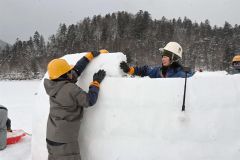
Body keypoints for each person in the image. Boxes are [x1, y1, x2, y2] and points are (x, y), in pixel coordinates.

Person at [44, 49, 108, 160]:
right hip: (65, 141)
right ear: (64, 75)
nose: (71, 72)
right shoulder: (70, 89)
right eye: (68, 71)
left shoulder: (53, 85)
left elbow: (76, 71)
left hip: (51, 137)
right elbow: (89, 100)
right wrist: (95, 83)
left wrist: (89, 57)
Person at [120, 42, 193, 78]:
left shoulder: (181, 74)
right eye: (162, 57)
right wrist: (130, 70)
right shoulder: (159, 71)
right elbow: (146, 70)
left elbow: (195, 77)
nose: (162, 59)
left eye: (165, 57)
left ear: (173, 59)